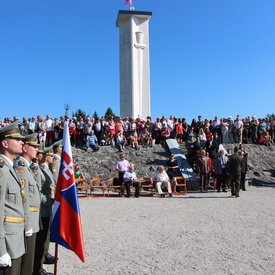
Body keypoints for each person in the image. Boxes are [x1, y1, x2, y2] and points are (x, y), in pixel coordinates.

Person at [0, 122, 26, 274]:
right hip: (7, 243)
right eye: (17, 139)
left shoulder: (10, 168)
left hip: (15, 239)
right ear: (5, 143)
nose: (21, 142)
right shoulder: (2, 172)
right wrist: (1, 249)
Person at [14, 133, 41, 275]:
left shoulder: (27, 168)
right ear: (25, 148)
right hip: (27, 219)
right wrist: (28, 223)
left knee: (29, 258)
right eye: (34, 146)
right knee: (26, 261)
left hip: (34, 217)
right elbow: (23, 199)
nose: (37, 149)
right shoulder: (21, 169)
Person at [32, 147, 55, 275]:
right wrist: (50, 201)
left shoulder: (42, 168)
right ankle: (37, 267)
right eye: (44, 154)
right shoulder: (36, 170)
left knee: (44, 237)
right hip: (41, 209)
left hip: (45, 208)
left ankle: (40, 262)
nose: (47, 156)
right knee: (39, 240)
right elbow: (36, 193)